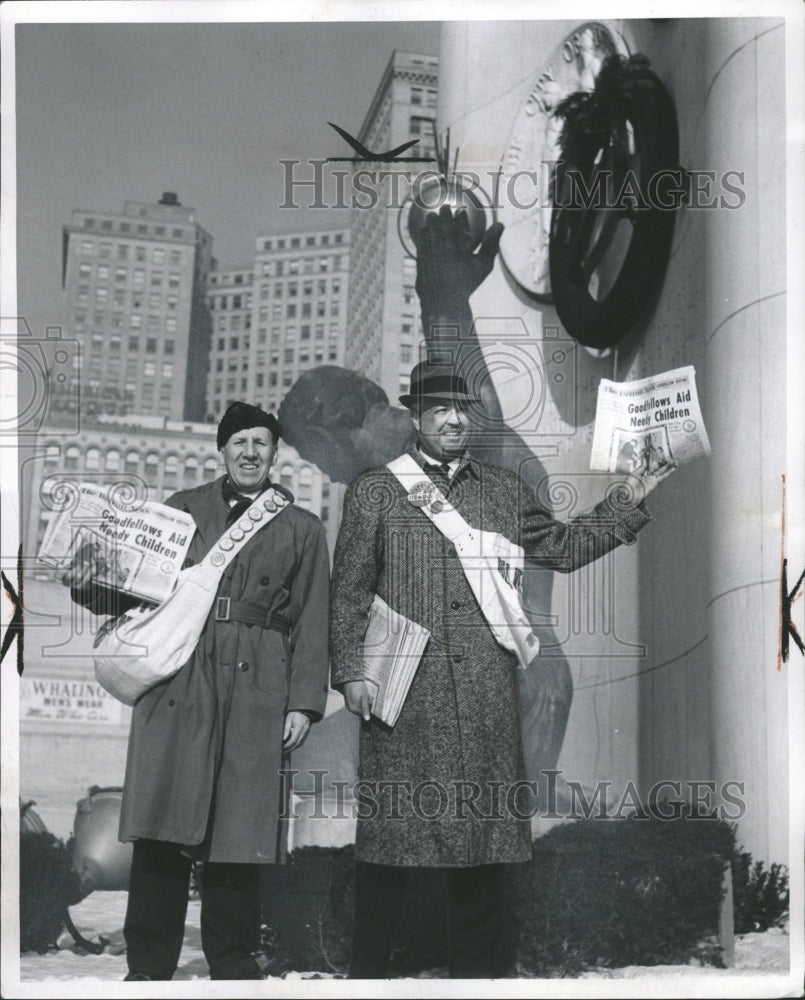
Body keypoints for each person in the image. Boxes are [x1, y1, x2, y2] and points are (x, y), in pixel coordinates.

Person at [329, 359, 663, 979]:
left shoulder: (504, 491)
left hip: (485, 697)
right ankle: (367, 982)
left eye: (461, 409)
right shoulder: (377, 489)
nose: (453, 419)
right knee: (390, 852)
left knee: (482, 853)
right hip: (404, 697)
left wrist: (628, 500)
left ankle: (478, 983)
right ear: (418, 419)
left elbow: (561, 549)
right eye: (439, 410)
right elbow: (348, 589)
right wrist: (351, 672)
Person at [65, 401, 330, 980]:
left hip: (260, 681)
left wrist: (304, 704)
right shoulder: (179, 510)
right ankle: (149, 964)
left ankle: (233, 962)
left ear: (276, 451)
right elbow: (129, 588)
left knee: (240, 828)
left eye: (262, 442)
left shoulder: (303, 528)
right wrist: (89, 582)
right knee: (162, 823)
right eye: (239, 442)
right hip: (181, 675)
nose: (250, 452)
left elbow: (314, 620)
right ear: (222, 449)